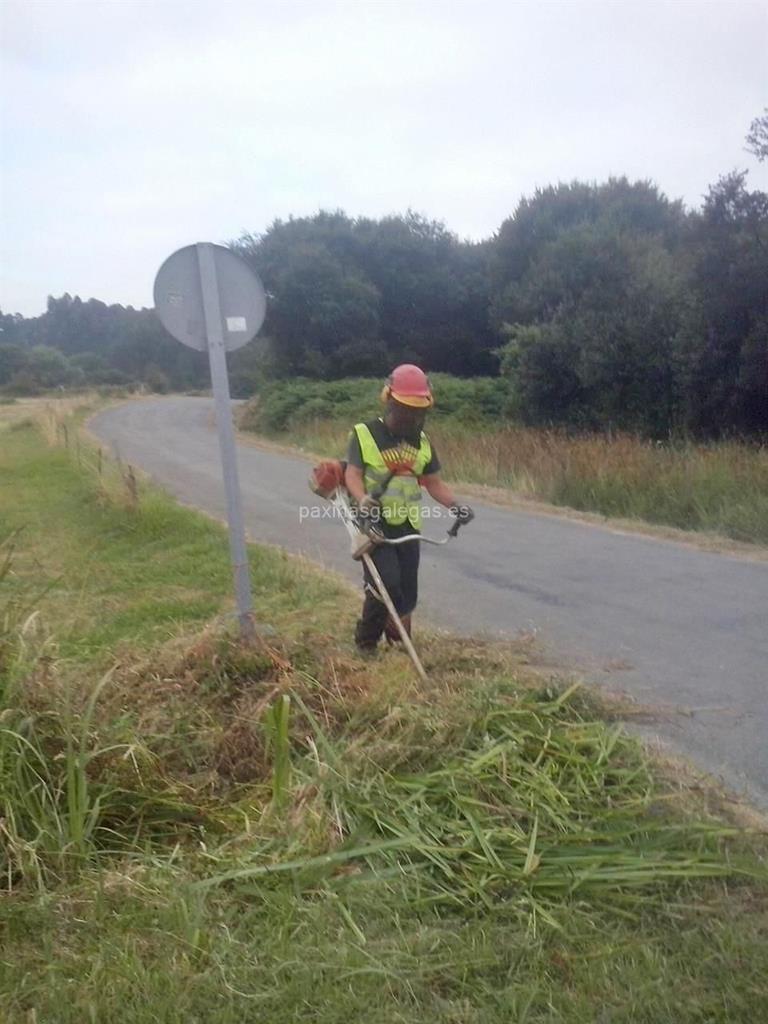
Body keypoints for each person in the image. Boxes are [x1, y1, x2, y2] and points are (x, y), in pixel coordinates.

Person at [345, 364, 474, 652]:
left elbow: (433, 483)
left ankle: (399, 643)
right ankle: (365, 643)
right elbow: (351, 474)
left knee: (406, 591)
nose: (410, 416)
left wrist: (456, 506)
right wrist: (363, 499)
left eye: (416, 411)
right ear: (388, 400)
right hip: (374, 523)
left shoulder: (423, 442)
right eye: (404, 409)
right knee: (385, 583)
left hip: (408, 525)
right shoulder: (365, 433)